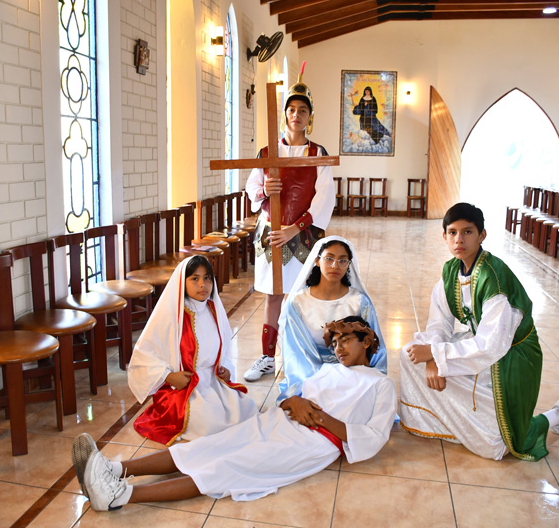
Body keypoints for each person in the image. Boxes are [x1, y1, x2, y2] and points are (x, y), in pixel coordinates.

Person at [72, 315, 397, 511]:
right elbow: (292, 401)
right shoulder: (328, 370)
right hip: (281, 421)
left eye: (346, 340)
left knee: (227, 466)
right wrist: (293, 403)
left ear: (367, 341)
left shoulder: (380, 384)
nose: (338, 348)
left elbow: (374, 436)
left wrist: (320, 418)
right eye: (335, 342)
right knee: (208, 446)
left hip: (314, 442)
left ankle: (120, 496)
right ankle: (115, 468)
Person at [399, 202, 559, 461]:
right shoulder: (452, 271)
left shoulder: (494, 277)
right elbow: (439, 323)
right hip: (481, 345)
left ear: (482, 235)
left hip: (511, 355)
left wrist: (436, 354)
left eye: (467, 232)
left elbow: (491, 346)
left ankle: (557, 415)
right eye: (452, 232)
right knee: (408, 355)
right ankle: (446, 424)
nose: (459, 239)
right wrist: (431, 356)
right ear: (444, 236)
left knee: (495, 445)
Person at [243, 64, 336, 382]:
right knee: (273, 295)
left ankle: (304, 357)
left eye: (303, 110)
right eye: (292, 109)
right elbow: (252, 187)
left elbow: (325, 198)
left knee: (304, 296)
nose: (297, 115)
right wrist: (265, 190)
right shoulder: (268, 151)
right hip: (271, 233)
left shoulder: (318, 153)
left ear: (310, 116)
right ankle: (268, 358)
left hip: (303, 235)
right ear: (285, 114)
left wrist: (295, 228)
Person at [126, 256, 257, 446]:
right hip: (183, 388)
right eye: (195, 278)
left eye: (207, 278)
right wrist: (169, 376)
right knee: (210, 423)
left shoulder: (214, 310)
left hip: (213, 381)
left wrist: (226, 369)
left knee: (247, 408)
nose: (202, 284)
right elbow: (143, 356)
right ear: (182, 282)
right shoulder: (171, 315)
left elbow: (224, 350)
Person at [277, 236, 387, 412]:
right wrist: (325, 381)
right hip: (312, 374)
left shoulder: (359, 302)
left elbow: (375, 347)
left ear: (349, 265)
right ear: (317, 261)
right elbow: (297, 354)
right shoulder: (298, 303)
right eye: (329, 258)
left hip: (353, 371)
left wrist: (372, 379)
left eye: (342, 260)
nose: (335, 266)